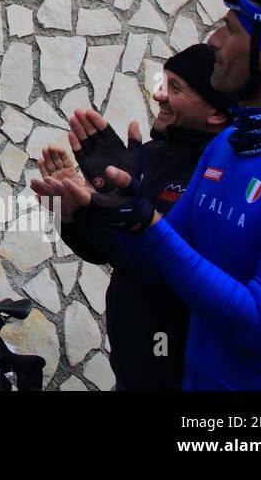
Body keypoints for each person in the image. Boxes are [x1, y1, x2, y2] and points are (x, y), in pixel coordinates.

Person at [35, 0, 261, 390]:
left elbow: (260, 326)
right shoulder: (229, 145)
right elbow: (158, 266)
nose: (214, 42)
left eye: (230, 29)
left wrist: (145, 222)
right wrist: (97, 207)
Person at [41, 44, 229, 389]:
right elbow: (105, 252)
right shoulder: (150, 155)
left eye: (176, 87)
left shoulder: (220, 173)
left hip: (181, 363)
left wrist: (100, 212)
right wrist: (72, 211)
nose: (159, 95)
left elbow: (161, 264)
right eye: (163, 83)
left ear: (216, 112)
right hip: (132, 354)